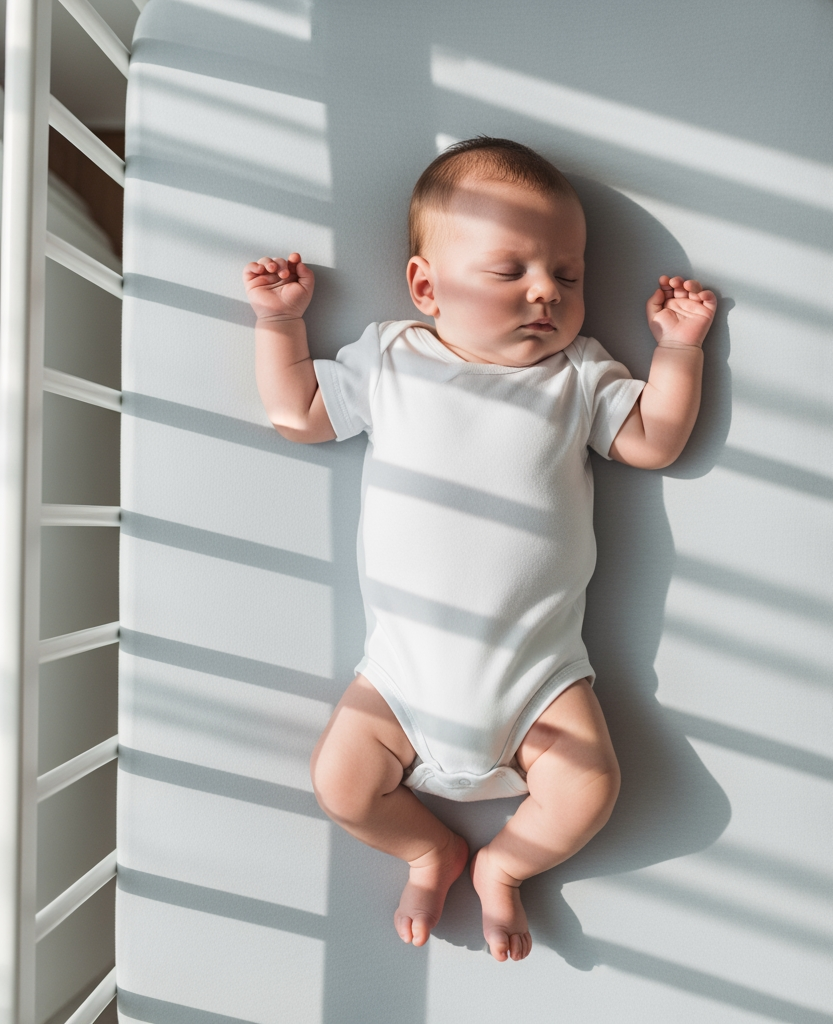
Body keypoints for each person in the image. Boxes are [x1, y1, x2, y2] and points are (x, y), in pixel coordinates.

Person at [242, 137, 716, 963]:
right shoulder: (392, 358)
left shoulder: (578, 375)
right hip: (399, 677)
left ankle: (504, 865)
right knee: (341, 784)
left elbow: (652, 441)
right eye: (512, 272)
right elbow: (301, 412)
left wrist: (678, 351)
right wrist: (280, 324)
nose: (547, 292)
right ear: (426, 286)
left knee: (588, 787)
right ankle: (430, 849)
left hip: (539, 677)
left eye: (567, 276)